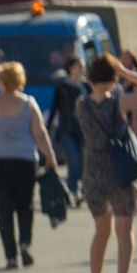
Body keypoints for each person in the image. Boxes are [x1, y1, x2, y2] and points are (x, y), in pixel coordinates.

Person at [77, 55, 137, 273]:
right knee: (125, 230)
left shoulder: (81, 104)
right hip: (118, 171)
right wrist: (127, 73)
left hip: (92, 172)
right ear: (113, 77)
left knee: (100, 231)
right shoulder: (119, 103)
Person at [0, 61, 58, 269]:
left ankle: (10, 256)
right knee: (25, 205)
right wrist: (50, 156)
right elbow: (40, 134)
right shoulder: (27, 103)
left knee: (3, 208)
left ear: (1, 81)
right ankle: (25, 243)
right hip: (24, 160)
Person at [49, 56, 88, 201]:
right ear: (71, 68)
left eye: (83, 66)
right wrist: (47, 128)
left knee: (83, 161)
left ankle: (81, 189)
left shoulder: (86, 87)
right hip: (67, 129)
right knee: (74, 159)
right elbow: (54, 108)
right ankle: (72, 192)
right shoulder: (62, 87)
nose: (82, 69)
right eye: (79, 66)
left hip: (84, 130)